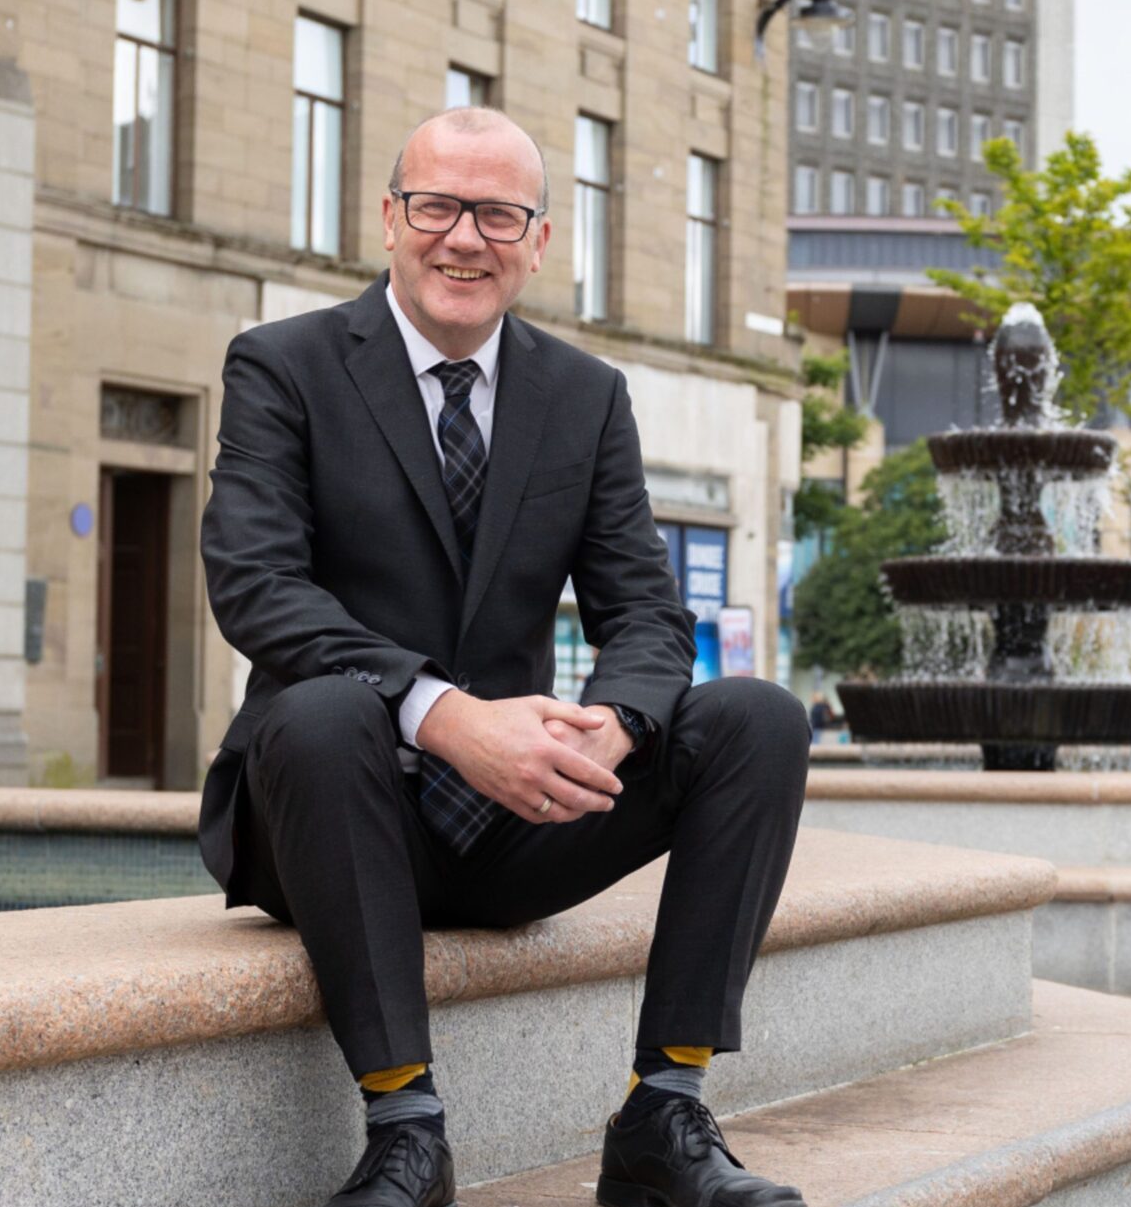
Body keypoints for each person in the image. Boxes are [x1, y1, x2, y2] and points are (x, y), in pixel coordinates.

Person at [198, 108, 811, 1207]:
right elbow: (256, 588)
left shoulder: (583, 396)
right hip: (336, 807)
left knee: (758, 719)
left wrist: (612, 726)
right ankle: (406, 1131)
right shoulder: (283, 367)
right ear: (390, 219)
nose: (462, 239)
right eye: (436, 206)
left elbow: (647, 619)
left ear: (538, 240)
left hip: (509, 823)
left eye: (497, 214)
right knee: (327, 710)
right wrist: (443, 714)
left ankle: (663, 1114)